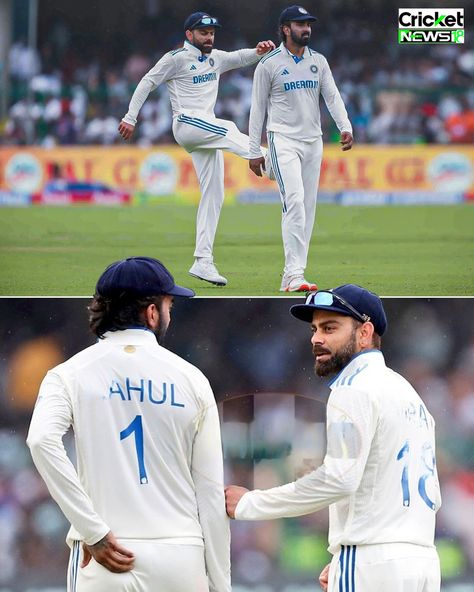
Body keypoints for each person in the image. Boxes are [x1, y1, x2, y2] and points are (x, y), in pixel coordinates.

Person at [27, 256, 230, 592]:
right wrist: (221, 585)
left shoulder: (69, 373)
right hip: (181, 557)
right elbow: (210, 494)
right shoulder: (192, 379)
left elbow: (40, 441)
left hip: (107, 556)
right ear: (151, 313)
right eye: (169, 305)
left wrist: (92, 531)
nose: (170, 314)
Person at [225, 284, 441, 592]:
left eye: (330, 328)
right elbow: (431, 494)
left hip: (372, 561)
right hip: (423, 562)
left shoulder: (352, 387)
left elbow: (338, 480)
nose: (316, 339)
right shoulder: (409, 394)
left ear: (365, 333)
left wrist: (250, 503)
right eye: (315, 329)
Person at [119, 13, 275, 287]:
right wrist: (130, 117)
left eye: (212, 32)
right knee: (226, 126)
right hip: (186, 123)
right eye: (203, 32)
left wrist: (258, 51)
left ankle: (203, 261)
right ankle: (270, 158)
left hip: (204, 134)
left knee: (214, 192)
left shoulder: (215, 58)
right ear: (189, 34)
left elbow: (239, 58)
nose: (209, 37)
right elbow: (147, 82)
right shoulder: (176, 58)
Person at [248, 6, 354, 292]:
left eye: (308, 24)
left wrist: (345, 126)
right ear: (285, 28)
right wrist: (252, 149)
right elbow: (257, 109)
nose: (306, 29)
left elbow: (332, 96)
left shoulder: (318, 61)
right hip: (282, 138)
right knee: (293, 201)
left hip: (313, 140)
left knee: (307, 207)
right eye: (300, 24)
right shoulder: (268, 64)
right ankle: (294, 274)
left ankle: (294, 274)